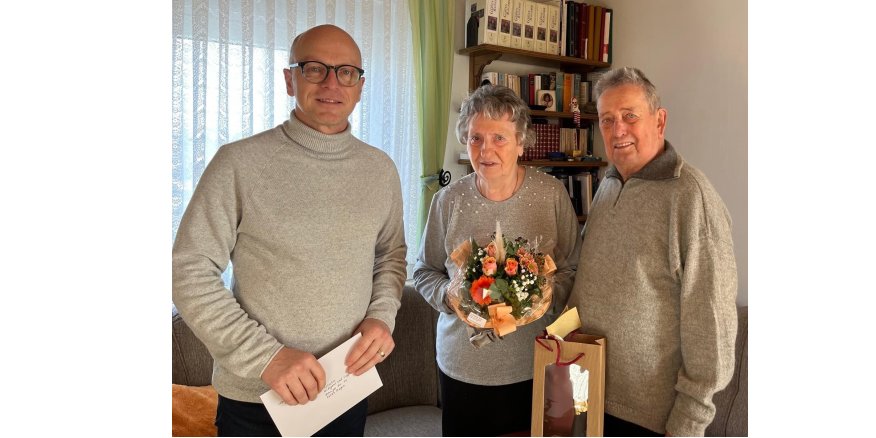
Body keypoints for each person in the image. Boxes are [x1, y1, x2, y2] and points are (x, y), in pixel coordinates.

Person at [172, 24, 407, 437]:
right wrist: (267, 357)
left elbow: (391, 256)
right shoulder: (238, 163)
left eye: (346, 72)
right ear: (289, 79)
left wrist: (381, 317)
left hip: (345, 388)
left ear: (360, 86)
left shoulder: (381, 170)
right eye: (315, 68)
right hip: (257, 400)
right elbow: (187, 270)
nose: (332, 83)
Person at [566, 66, 737, 437]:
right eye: (607, 120)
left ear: (660, 121)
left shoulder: (692, 198)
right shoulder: (608, 184)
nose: (618, 131)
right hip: (586, 393)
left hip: (648, 419)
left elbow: (712, 330)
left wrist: (686, 427)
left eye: (630, 116)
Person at [414, 84, 581, 436]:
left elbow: (573, 267)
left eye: (499, 138)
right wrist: (450, 296)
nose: (485, 150)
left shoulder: (551, 194)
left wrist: (544, 295)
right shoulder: (448, 201)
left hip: (534, 362)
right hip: (462, 366)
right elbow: (424, 271)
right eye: (475, 138)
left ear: (521, 143)